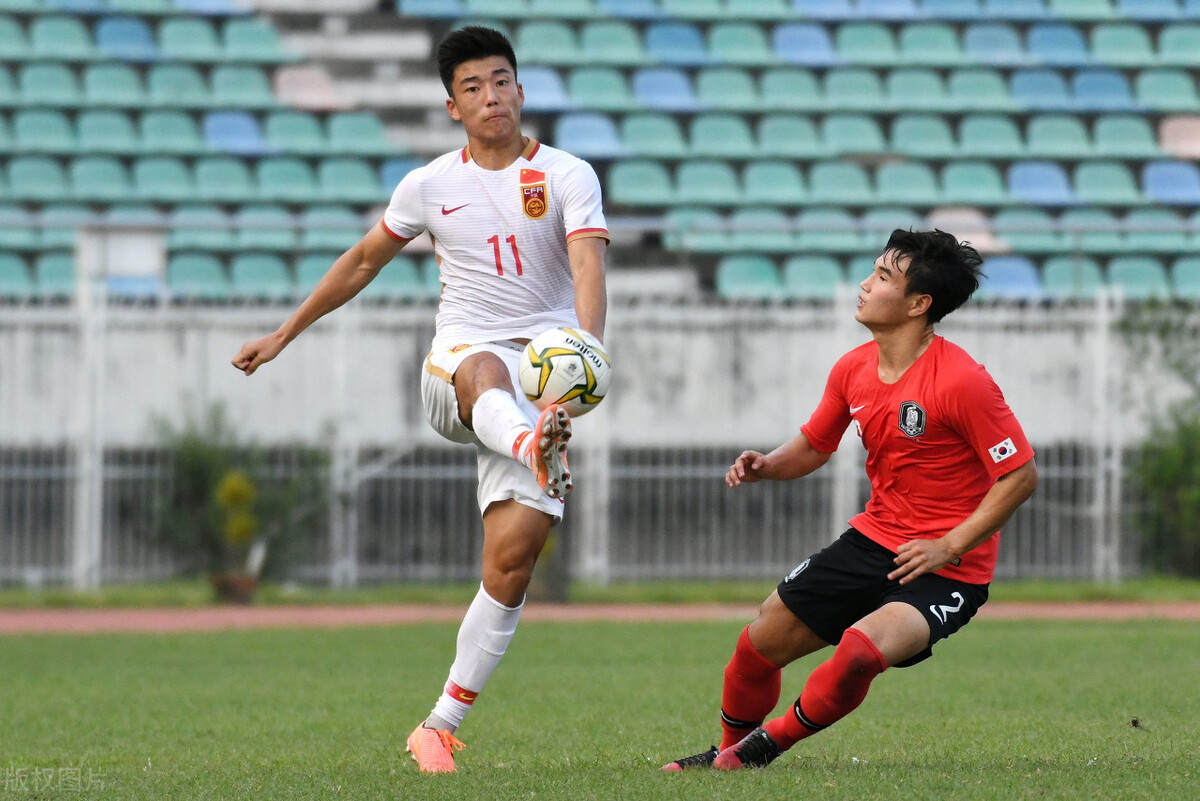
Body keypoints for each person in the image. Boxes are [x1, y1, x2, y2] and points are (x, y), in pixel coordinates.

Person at [231, 26, 609, 774]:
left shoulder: (568, 174)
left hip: (541, 381)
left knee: (512, 562)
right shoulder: (429, 184)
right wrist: (283, 333)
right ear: (451, 106)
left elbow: (587, 265)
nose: (491, 96)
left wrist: (584, 352)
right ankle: (533, 445)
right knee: (482, 368)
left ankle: (437, 725)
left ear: (521, 90)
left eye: (501, 80)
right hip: (457, 369)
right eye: (473, 86)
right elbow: (365, 259)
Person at [663, 229, 1038, 772]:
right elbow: (816, 444)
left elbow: (1020, 475)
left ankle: (759, 751)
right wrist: (768, 464)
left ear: (918, 304)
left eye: (883, 277)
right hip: (871, 540)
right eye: (874, 271)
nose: (865, 284)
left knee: (859, 654)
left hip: (949, 569)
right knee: (755, 647)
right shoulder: (853, 368)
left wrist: (947, 545)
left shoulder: (962, 382)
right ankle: (727, 752)